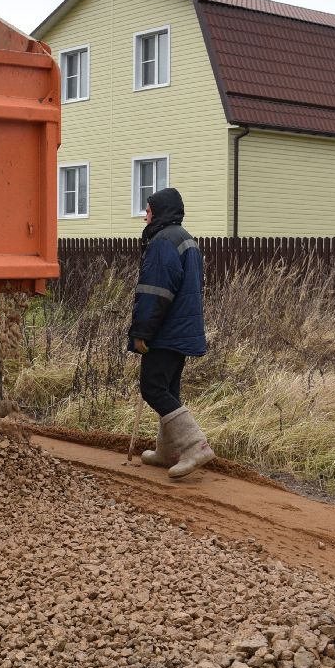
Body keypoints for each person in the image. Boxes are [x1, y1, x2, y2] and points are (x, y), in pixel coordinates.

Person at [127, 187, 214, 480]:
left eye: (148, 211)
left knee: (152, 388)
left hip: (166, 329)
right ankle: (168, 451)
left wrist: (141, 332)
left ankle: (194, 446)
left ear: (159, 212)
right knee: (167, 390)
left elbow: (154, 293)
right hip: (182, 328)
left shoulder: (162, 242)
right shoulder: (185, 238)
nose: (145, 217)